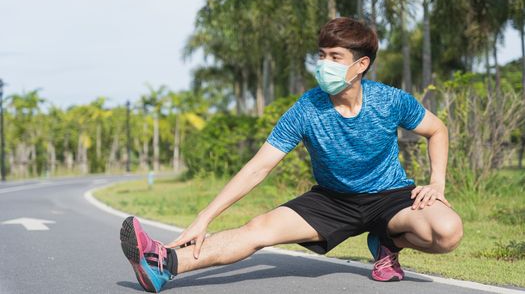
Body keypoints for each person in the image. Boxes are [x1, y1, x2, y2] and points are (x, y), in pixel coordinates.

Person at [119, 17, 463, 293]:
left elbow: (437, 130)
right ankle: (163, 263)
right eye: (321, 55)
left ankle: (386, 240)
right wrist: (204, 217)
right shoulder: (306, 109)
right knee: (257, 230)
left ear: (360, 65)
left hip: (390, 196)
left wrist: (437, 182)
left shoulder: (390, 100)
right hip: (334, 200)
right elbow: (258, 167)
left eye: (334, 57)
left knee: (447, 232)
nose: (323, 64)